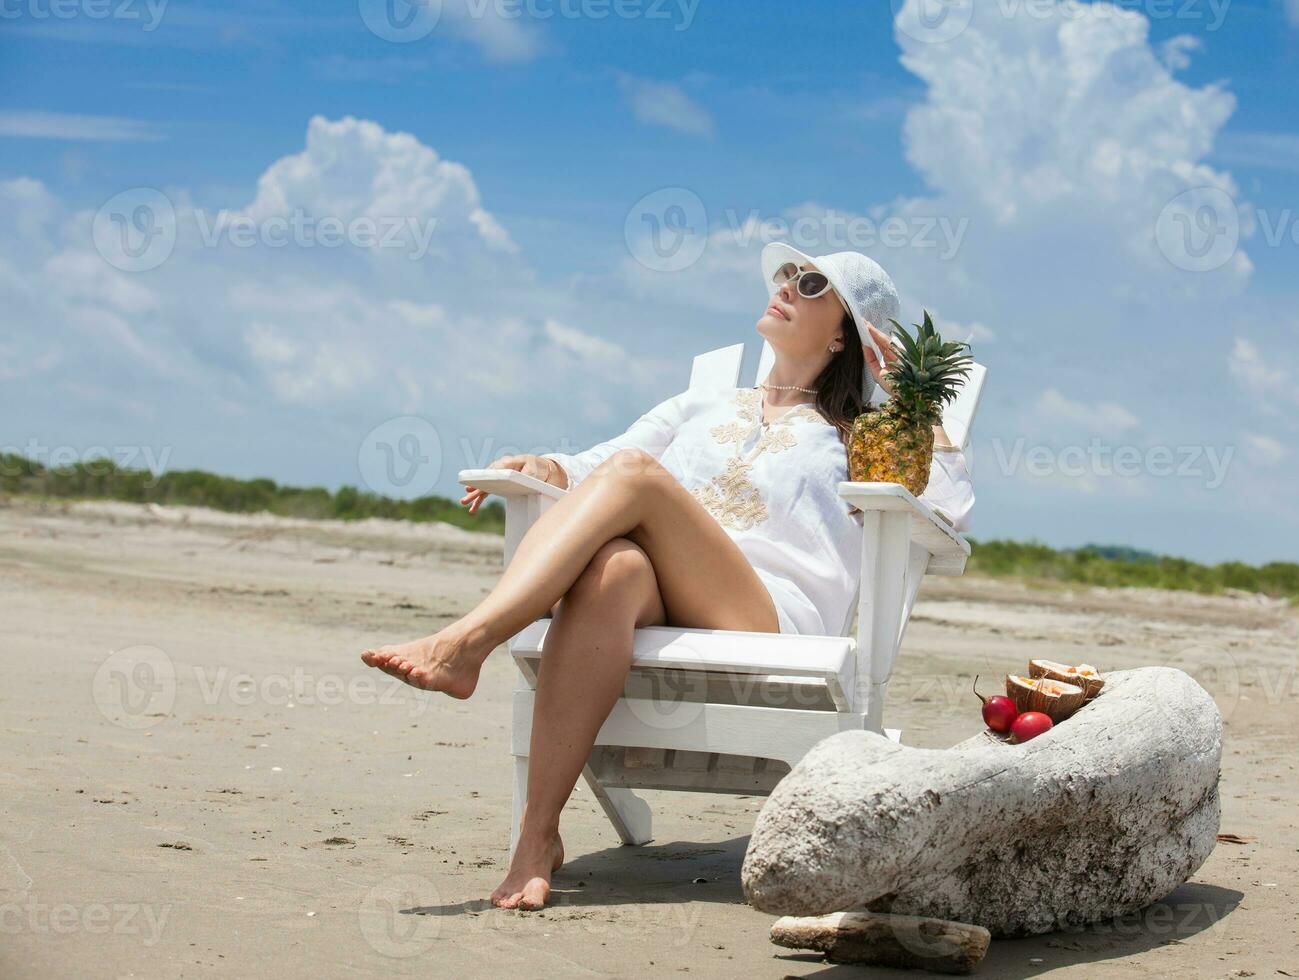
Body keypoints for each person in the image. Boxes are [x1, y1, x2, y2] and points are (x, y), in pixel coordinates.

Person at [360, 241, 975, 909]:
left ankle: (468, 642)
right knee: (614, 568)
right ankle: (536, 840)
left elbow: (943, 508)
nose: (788, 285)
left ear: (846, 335)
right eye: (786, 274)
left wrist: (915, 411)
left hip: (769, 615)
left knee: (633, 478)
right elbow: (595, 462)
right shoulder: (701, 407)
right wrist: (544, 467)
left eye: (813, 283)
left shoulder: (861, 432)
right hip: (663, 591)